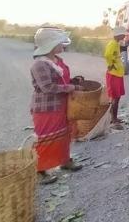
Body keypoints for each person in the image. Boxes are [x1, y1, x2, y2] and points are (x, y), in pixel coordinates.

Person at [30, 28, 83, 184]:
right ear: (50, 45)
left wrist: (73, 81)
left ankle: (65, 161)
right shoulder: (39, 64)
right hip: (46, 108)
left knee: (64, 135)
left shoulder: (56, 60)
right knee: (45, 138)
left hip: (61, 105)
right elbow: (47, 87)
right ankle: (39, 170)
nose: (63, 45)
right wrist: (71, 88)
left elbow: (62, 80)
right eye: (59, 42)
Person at [104, 26, 127, 129]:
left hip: (117, 73)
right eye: (123, 34)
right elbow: (108, 55)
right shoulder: (112, 44)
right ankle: (113, 119)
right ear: (118, 35)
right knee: (114, 97)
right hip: (114, 74)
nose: (124, 35)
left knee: (117, 97)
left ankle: (114, 117)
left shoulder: (116, 43)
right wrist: (111, 65)